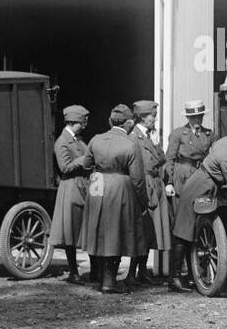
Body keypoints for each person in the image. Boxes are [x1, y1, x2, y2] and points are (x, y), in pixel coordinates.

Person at [170, 123, 227, 292]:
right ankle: (174, 279)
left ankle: (188, 276)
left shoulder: (226, 141)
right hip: (201, 186)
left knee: (189, 231)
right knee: (184, 232)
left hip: (201, 181)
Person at [82, 104, 147, 294]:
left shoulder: (96, 139)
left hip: (97, 186)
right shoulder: (130, 144)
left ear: (110, 121)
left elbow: (87, 164)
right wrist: (144, 202)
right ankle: (109, 282)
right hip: (120, 189)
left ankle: (101, 275)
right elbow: (137, 179)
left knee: (100, 232)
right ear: (128, 123)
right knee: (116, 233)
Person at [162, 99, 213, 284]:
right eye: (193, 117)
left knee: (197, 223)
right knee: (181, 226)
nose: (197, 119)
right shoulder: (178, 134)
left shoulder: (209, 135)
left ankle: (193, 273)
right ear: (188, 118)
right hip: (181, 178)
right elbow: (169, 159)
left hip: (200, 177)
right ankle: (175, 274)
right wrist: (168, 182)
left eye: (199, 116)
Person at [126, 100, 170, 286]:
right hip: (143, 185)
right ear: (142, 117)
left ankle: (142, 273)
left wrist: (156, 144)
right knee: (141, 231)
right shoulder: (133, 138)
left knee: (151, 231)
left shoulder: (150, 136)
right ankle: (131, 274)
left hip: (155, 184)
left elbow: (162, 160)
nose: (155, 120)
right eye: (152, 117)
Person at [48, 105, 93, 284]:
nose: (85, 125)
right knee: (70, 232)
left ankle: (92, 271)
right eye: (83, 122)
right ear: (75, 122)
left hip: (82, 186)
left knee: (84, 229)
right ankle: (73, 272)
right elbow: (64, 167)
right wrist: (83, 160)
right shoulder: (62, 142)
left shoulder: (78, 140)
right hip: (71, 188)